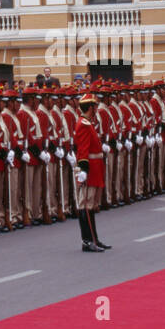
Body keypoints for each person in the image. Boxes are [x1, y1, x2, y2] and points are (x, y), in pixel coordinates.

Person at [73, 93, 110, 253]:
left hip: (95, 167)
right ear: (90, 107)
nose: (96, 108)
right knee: (85, 205)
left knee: (91, 205)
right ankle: (87, 241)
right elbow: (82, 149)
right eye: (94, 106)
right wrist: (83, 170)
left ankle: (94, 238)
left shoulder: (88, 123)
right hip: (89, 168)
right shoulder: (83, 124)